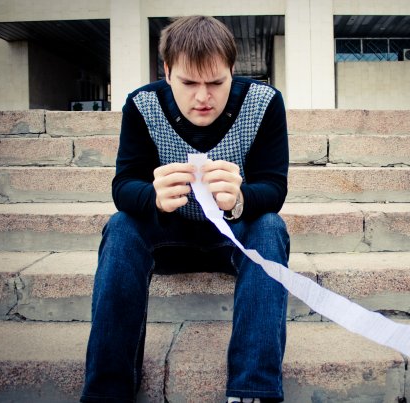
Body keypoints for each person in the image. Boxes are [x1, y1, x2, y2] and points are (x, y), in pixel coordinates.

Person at [81, 15, 290, 403]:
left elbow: (275, 187)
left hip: (233, 238)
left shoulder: (263, 103)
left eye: (216, 83)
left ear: (232, 71)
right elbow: (123, 185)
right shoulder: (143, 105)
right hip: (168, 237)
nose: (203, 97)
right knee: (121, 226)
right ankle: (107, 392)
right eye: (189, 83)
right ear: (166, 72)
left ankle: (253, 391)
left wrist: (241, 198)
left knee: (270, 227)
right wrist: (153, 197)